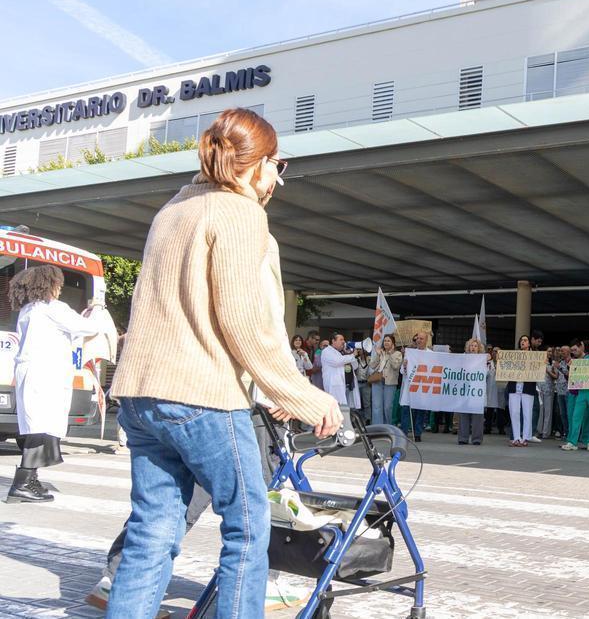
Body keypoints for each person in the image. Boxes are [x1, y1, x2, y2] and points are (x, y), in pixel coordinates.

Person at [106, 108, 342, 617]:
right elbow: (243, 321)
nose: (277, 179)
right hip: (202, 396)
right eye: (277, 166)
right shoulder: (240, 213)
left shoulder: (173, 208)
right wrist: (301, 395)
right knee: (248, 527)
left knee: (152, 531)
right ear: (256, 165)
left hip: (142, 394)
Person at [5, 265, 104, 504]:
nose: (60, 289)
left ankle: (29, 480)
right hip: (45, 374)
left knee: (36, 427)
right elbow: (90, 327)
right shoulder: (53, 309)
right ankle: (22, 484)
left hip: (33, 373)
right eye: (58, 284)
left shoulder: (28, 309)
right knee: (41, 428)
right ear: (50, 285)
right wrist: (97, 309)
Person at [562, 338, 589, 451]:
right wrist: (572, 367)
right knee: (576, 416)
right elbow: (575, 375)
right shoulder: (584, 359)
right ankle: (572, 442)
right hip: (582, 391)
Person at [507, 335, 538, 447]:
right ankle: (516, 438)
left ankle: (525, 437)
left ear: (529, 343)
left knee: (527, 413)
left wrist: (543, 362)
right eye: (521, 340)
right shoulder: (514, 356)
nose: (523, 342)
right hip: (514, 386)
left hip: (528, 387)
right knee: (514, 412)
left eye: (525, 340)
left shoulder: (535, 356)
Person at [457, 338, 489, 445]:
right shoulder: (463, 358)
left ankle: (476, 439)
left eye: (475, 346)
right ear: (468, 347)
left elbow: (487, 374)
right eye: (471, 346)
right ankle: (463, 438)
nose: (473, 348)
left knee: (477, 416)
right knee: (463, 414)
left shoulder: (484, 360)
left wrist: (487, 363)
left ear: (479, 348)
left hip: (477, 391)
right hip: (465, 390)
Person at [368, 335, 403, 426]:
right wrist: (377, 355)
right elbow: (372, 365)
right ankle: (377, 427)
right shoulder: (381, 352)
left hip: (390, 383)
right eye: (385, 341)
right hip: (377, 381)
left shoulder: (398, 354)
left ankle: (388, 426)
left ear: (393, 343)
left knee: (387, 407)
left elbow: (396, 366)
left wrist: (390, 354)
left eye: (388, 341)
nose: (386, 342)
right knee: (376, 406)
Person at [320, 333, 360, 407]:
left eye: (344, 339)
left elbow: (355, 366)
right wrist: (352, 355)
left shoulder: (342, 353)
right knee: (336, 408)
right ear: (333, 341)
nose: (344, 342)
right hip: (334, 386)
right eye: (341, 339)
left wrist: (349, 353)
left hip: (347, 385)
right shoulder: (327, 351)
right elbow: (337, 361)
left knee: (345, 409)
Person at [536, 348, 557, 440]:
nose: (549, 353)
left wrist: (548, 371)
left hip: (549, 389)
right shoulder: (538, 362)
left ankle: (546, 432)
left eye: (550, 352)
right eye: (547, 351)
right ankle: (538, 431)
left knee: (548, 411)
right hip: (539, 388)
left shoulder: (553, 363)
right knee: (540, 410)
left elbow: (556, 376)